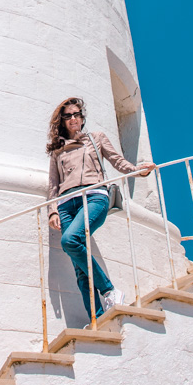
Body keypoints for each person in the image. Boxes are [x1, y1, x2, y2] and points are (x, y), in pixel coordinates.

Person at [47, 96, 156, 322]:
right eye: (68, 116)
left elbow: (117, 161)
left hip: (94, 196)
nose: (73, 119)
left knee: (70, 240)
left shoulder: (96, 139)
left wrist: (137, 170)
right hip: (67, 203)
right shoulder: (58, 151)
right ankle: (96, 319)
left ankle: (108, 290)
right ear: (62, 121)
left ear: (82, 118)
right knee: (79, 269)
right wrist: (53, 210)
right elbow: (53, 184)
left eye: (77, 114)